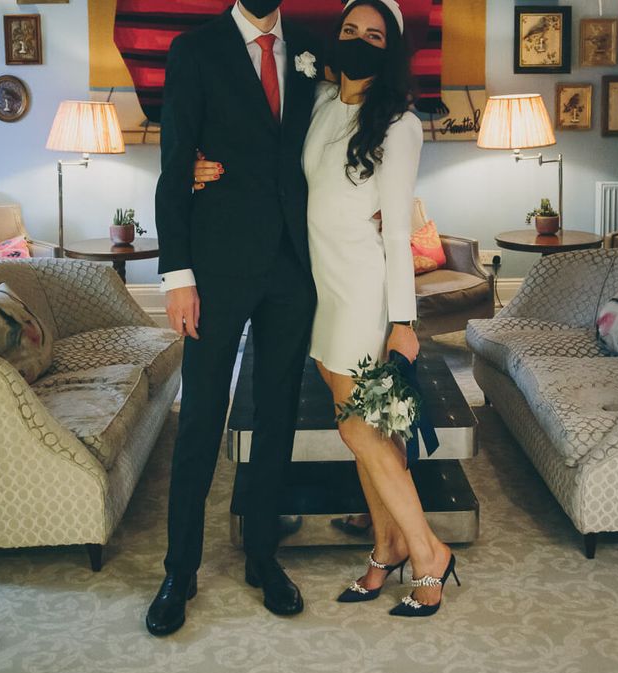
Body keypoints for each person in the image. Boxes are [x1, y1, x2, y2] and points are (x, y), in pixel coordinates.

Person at [196, 0, 459, 617]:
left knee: (358, 430)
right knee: (368, 434)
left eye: (375, 35)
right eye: (351, 31)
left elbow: (396, 230)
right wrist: (195, 167)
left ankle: (428, 553)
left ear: (391, 49)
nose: (360, 41)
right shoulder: (316, 103)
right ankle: (386, 544)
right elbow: (264, 161)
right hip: (321, 289)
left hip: (364, 292)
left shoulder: (399, 123)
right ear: (334, 38)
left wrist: (403, 320)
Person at [148, 0, 320, 637]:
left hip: (292, 269)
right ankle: (179, 570)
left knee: (279, 416)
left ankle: (263, 559)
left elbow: (323, 143)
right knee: (199, 421)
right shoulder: (195, 51)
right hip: (215, 270)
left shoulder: (309, 49)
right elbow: (173, 168)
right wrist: (178, 277)